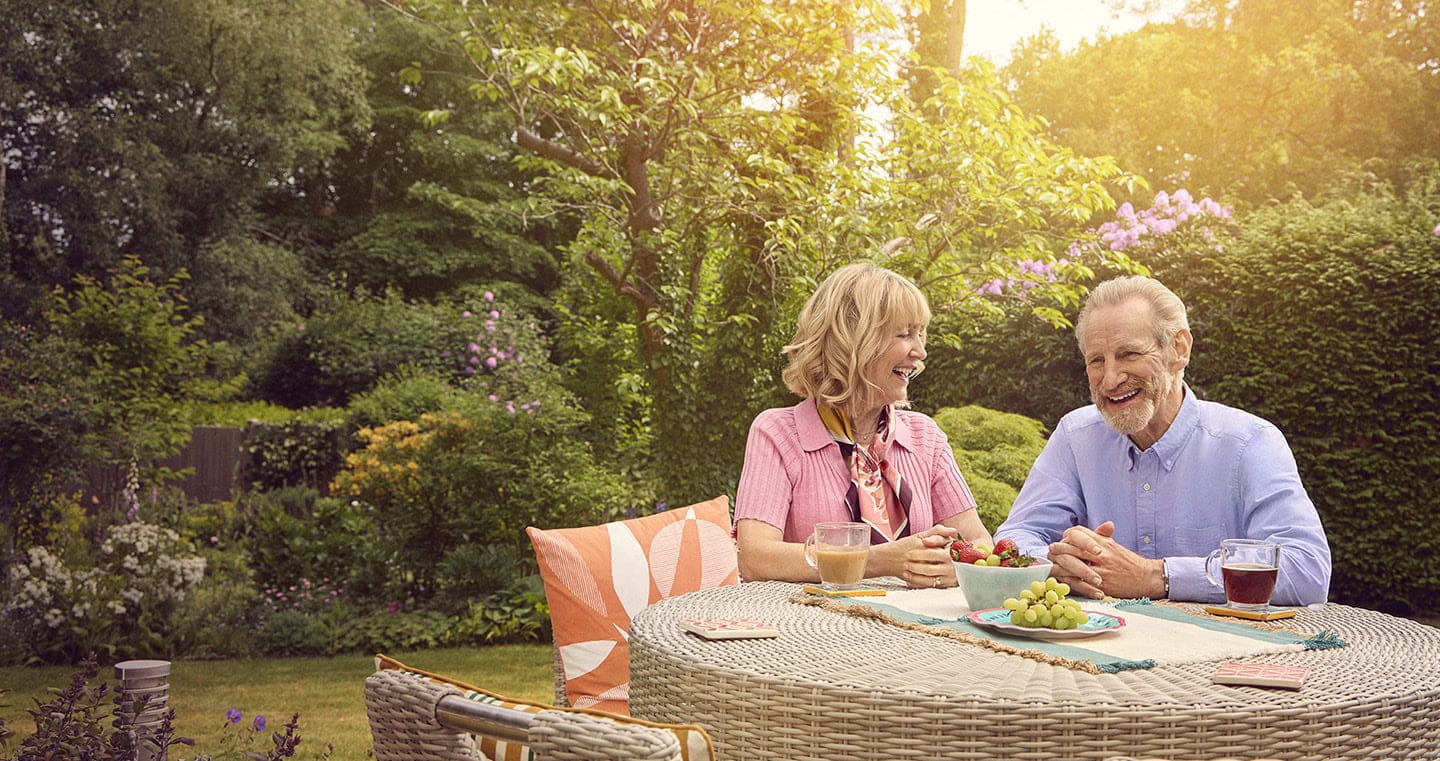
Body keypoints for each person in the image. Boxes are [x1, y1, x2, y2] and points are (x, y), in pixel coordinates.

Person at [995, 275, 1331, 605]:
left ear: (1179, 349)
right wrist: (1061, 564)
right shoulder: (1075, 435)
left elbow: (1307, 570)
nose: (1110, 379)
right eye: (1096, 360)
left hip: (1219, 652)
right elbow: (1014, 538)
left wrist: (1157, 576)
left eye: (1129, 354)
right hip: (1095, 646)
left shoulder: (1250, 443)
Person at [734, 262, 993, 589]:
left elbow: (980, 542)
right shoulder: (778, 433)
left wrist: (957, 565)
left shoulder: (926, 437)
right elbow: (756, 558)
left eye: (920, 335)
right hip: (808, 630)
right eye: (904, 334)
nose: (921, 352)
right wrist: (880, 560)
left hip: (916, 630)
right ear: (853, 341)